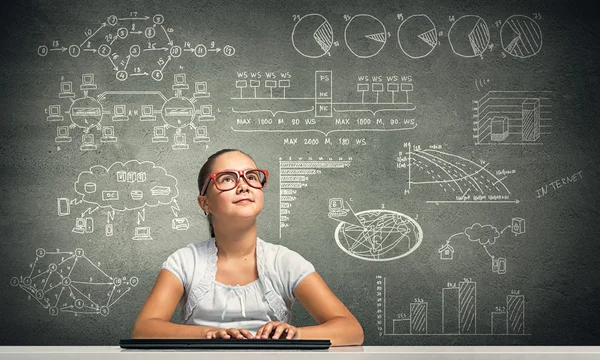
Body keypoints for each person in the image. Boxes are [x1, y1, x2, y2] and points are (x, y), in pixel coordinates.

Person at [132, 149, 364, 346]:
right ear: (205, 202)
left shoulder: (285, 262)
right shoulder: (185, 261)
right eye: (227, 179)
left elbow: (351, 330)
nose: (244, 186)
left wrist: (294, 334)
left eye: (252, 177)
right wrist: (210, 335)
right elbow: (143, 329)